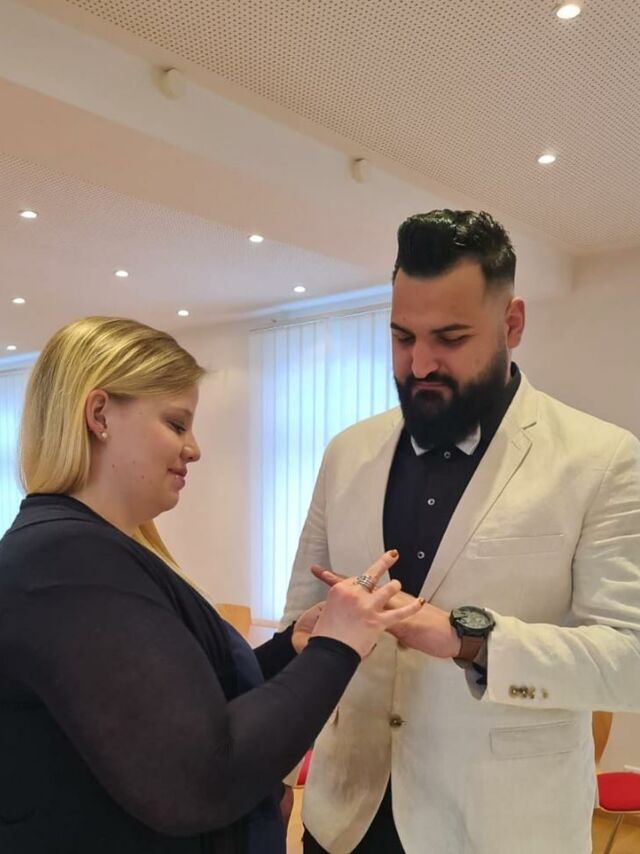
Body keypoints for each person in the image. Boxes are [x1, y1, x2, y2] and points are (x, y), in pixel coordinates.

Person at [281, 210, 640, 854]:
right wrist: (278, 770)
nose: (420, 364)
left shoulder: (603, 459)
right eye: (402, 337)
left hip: (501, 830)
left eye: (449, 338)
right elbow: (300, 621)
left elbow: (629, 660)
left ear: (512, 324)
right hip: (341, 818)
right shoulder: (347, 451)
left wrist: (469, 640)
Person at [0, 316, 423, 854]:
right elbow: (201, 777)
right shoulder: (66, 562)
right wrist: (337, 649)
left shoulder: (94, 552)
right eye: (176, 424)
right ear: (99, 414)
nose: (194, 448)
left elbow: (178, 709)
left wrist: (294, 648)